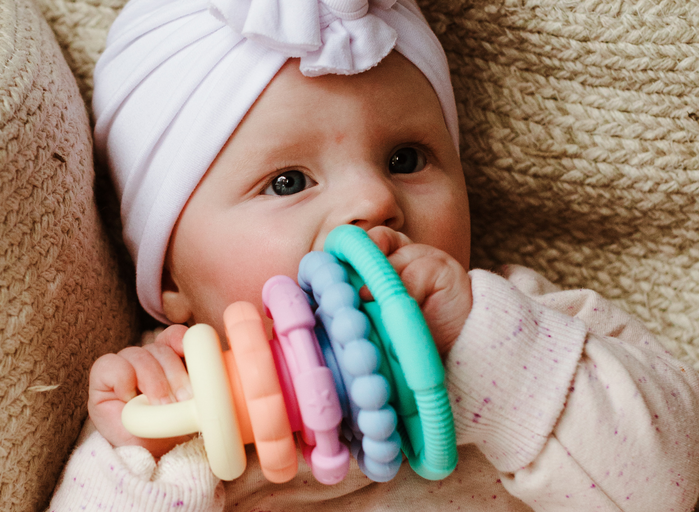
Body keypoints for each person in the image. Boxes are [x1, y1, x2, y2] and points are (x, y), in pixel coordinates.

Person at [49, 0, 699, 510]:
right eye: (287, 181)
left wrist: (490, 351)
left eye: (405, 159)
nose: (372, 198)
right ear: (167, 278)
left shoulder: (529, 324)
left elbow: (670, 485)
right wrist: (167, 459)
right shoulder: (165, 409)